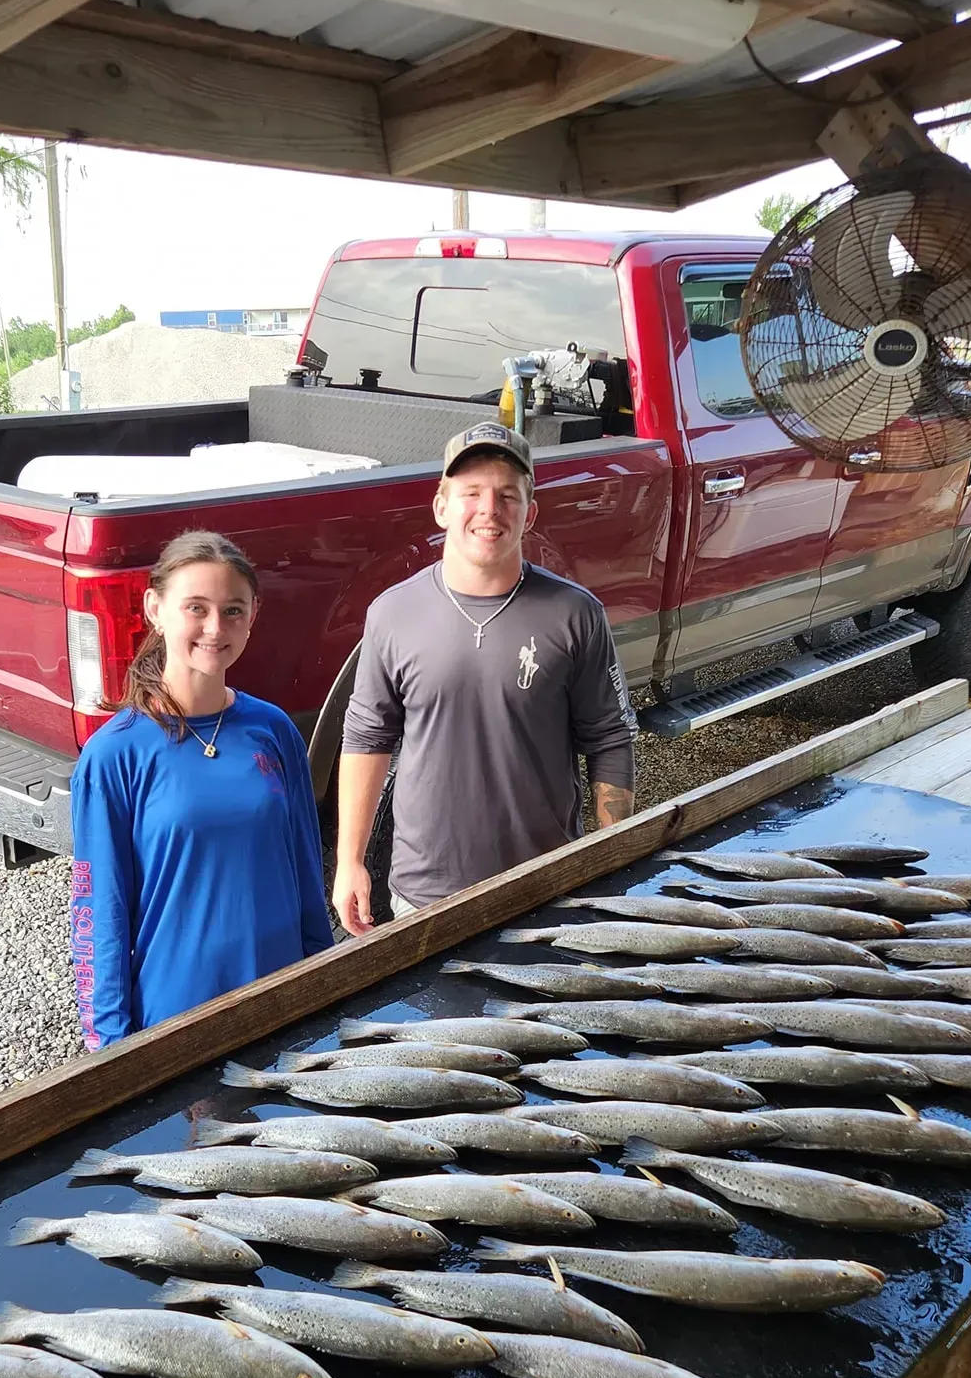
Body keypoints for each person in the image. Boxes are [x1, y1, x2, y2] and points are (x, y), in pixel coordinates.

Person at [333, 420, 638, 933]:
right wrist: (349, 861)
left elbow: (610, 738)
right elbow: (366, 739)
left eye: (507, 495)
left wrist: (610, 855)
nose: (489, 510)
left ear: (530, 513)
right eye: (471, 492)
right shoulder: (392, 613)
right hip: (425, 893)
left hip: (546, 885)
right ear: (441, 506)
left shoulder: (575, 613)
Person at [70, 529, 333, 1046]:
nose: (216, 627)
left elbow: (305, 865)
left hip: (280, 996)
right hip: (176, 1015)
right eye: (197, 607)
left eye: (233, 610)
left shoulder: (274, 729)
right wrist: (109, 1044)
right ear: (155, 608)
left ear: (254, 614)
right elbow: (98, 911)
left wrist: (322, 981)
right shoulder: (114, 755)